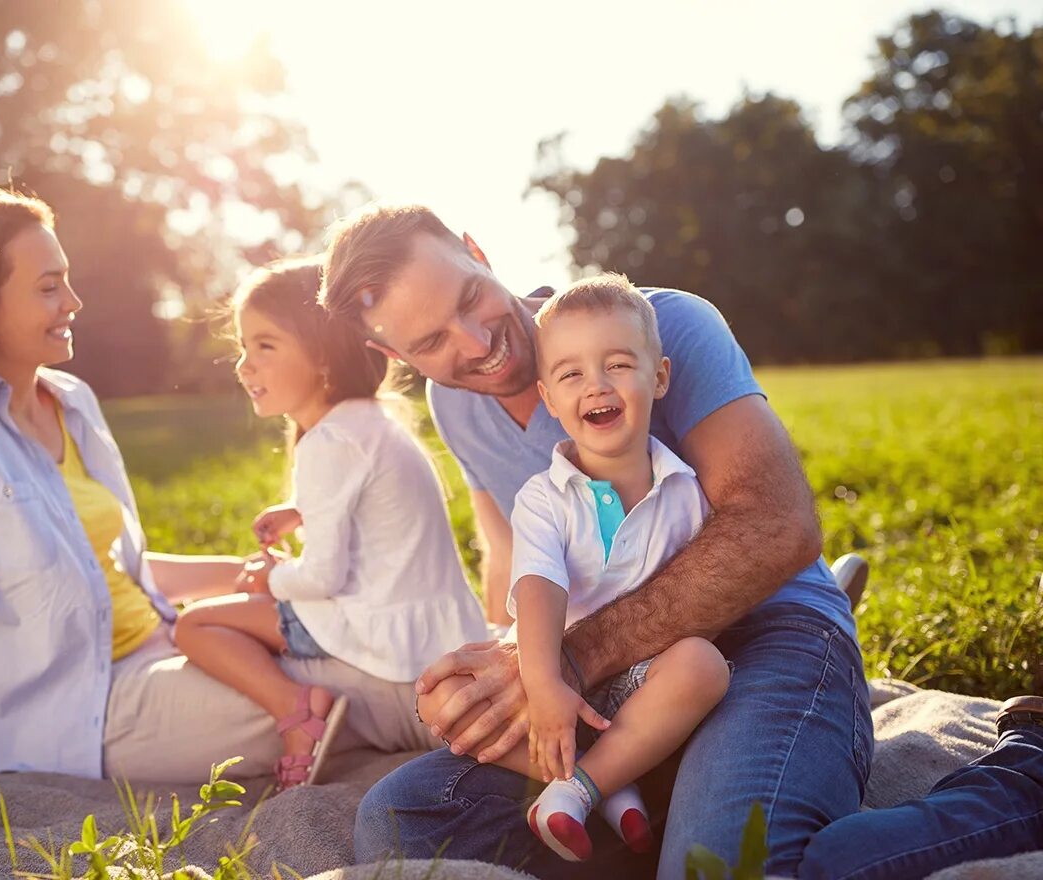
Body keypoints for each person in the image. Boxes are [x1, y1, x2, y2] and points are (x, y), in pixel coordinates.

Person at [319, 203, 1043, 879]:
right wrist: (497, 676)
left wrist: (567, 657)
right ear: (391, 352)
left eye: (468, 298)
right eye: (432, 342)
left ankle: (1026, 779)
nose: (476, 343)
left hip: (768, 631)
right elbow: (511, 563)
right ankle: (664, 816)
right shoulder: (456, 406)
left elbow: (776, 526)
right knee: (407, 818)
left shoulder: (661, 324)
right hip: (618, 686)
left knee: (725, 869)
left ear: (476, 251)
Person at [0, 189, 434, 806]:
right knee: (358, 690)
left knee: (370, 641)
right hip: (78, 715)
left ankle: (512, 704)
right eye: (50, 287)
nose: (74, 301)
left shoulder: (72, 402)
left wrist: (249, 578)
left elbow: (111, 571)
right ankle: (514, 741)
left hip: (162, 646)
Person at [419, 276, 731, 862]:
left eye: (617, 365)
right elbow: (538, 588)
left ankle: (578, 789)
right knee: (442, 697)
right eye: (571, 376)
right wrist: (543, 685)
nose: (596, 385)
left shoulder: (686, 490)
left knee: (704, 666)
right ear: (549, 397)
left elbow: (704, 598)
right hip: (553, 674)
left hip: (643, 681)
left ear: (658, 377)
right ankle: (611, 784)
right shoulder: (545, 497)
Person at [172, 258, 487, 790]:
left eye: (265, 346)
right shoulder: (371, 422)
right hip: (438, 627)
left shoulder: (328, 442)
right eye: (244, 346)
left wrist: (267, 580)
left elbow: (322, 579)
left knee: (195, 625)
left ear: (321, 356)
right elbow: (367, 503)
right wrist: (299, 509)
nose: (244, 366)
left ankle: (297, 710)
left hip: (381, 633)